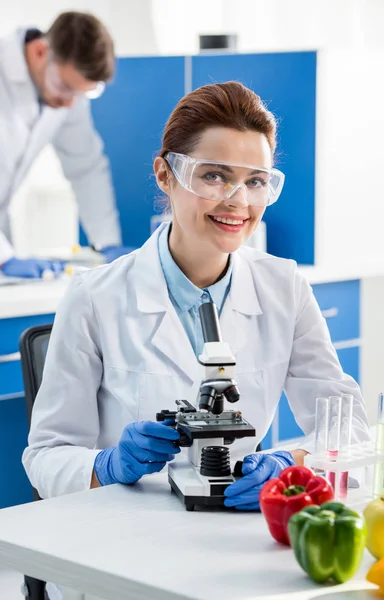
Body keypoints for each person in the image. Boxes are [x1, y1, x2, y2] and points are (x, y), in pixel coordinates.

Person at [23, 81, 370, 506]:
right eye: (214, 176)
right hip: (119, 532)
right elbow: (46, 456)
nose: (237, 201)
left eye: (255, 181)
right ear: (165, 175)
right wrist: (108, 466)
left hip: (232, 527)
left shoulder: (285, 288)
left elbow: (346, 425)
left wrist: (291, 463)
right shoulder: (95, 297)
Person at [0, 11, 126, 278]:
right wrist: (1, 258)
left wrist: (106, 242)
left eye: (80, 93)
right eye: (65, 87)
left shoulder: (64, 93)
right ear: (40, 51)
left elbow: (85, 166)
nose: (70, 104)